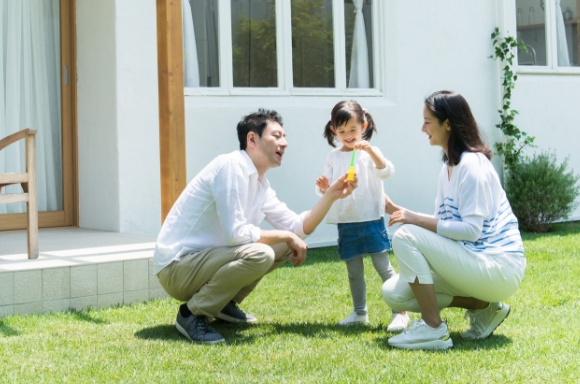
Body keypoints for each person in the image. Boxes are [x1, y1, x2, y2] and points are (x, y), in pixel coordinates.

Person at [153, 109, 357, 344]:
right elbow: (235, 234)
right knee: (262, 252)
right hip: (177, 268)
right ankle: (191, 314)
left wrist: (331, 195)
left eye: (285, 137)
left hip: (203, 264)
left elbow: (296, 226)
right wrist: (285, 235)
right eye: (277, 136)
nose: (285, 143)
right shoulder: (231, 167)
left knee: (284, 244)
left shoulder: (260, 183)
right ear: (252, 139)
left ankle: (222, 304)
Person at [382, 90, 526, 350]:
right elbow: (443, 228)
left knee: (405, 234)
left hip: (499, 266)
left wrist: (412, 219)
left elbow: (470, 231)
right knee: (394, 294)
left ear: (447, 124)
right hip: (474, 262)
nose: (422, 128)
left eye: (427, 121)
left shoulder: (473, 165)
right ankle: (484, 306)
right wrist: (399, 210)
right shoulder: (447, 168)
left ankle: (433, 329)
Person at [315, 100, 409, 332]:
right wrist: (324, 185)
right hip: (346, 222)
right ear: (333, 130)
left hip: (372, 219)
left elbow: (386, 172)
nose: (348, 135)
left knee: (383, 267)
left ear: (364, 126)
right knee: (354, 272)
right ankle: (359, 313)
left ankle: (400, 312)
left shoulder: (370, 153)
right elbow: (327, 190)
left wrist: (372, 152)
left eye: (353, 130)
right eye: (342, 131)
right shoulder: (333, 157)